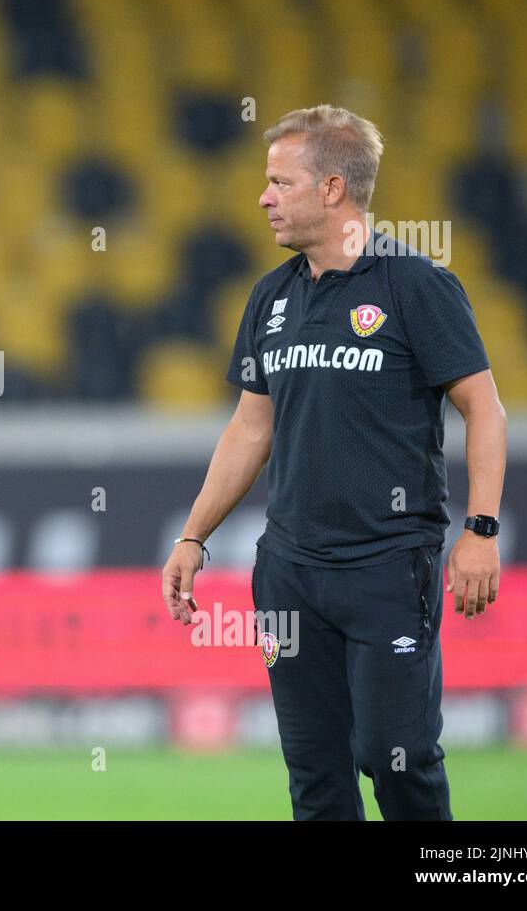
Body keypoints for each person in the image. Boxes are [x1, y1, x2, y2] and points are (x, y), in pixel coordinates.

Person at [161, 105, 506, 820]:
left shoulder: (416, 284)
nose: (263, 197)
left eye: (279, 182)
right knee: (315, 777)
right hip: (289, 569)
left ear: (332, 190)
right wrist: (193, 534)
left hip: (388, 563)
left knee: (394, 755)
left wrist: (480, 528)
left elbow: (486, 410)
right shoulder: (270, 297)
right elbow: (249, 430)